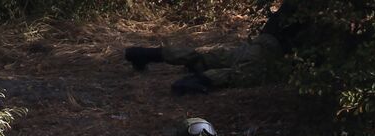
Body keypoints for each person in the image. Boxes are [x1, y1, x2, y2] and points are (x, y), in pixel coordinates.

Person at [124, 2, 301, 95]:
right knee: (240, 75)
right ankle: (196, 81)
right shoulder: (313, 10)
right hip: (273, 50)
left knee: (210, 58)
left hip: (261, 41)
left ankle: (147, 54)